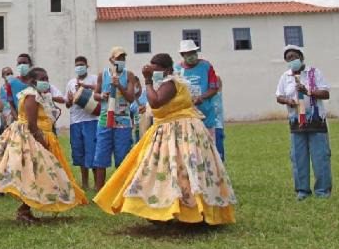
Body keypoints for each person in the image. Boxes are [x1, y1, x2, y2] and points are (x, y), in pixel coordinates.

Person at [94, 53, 236, 224]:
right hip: (171, 130)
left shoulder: (170, 83)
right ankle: (165, 209)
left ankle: (190, 211)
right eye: (152, 69)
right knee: (167, 171)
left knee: (183, 170)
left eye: (156, 69)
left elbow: (155, 102)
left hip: (179, 131)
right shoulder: (166, 82)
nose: (153, 72)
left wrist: (147, 80)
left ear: (167, 70)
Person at [0, 67, 88, 223]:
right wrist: (42, 144)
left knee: (36, 175)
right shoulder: (31, 96)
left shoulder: (38, 95)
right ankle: (24, 210)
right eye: (43, 79)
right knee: (32, 173)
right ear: (33, 81)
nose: (46, 82)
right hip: (30, 139)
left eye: (47, 78)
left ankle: (26, 209)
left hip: (37, 136)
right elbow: (32, 125)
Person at [275, 45, 332, 200]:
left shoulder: (314, 73)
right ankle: (302, 191)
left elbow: (325, 93)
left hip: (316, 121)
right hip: (296, 122)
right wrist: (288, 100)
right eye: (288, 58)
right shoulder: (285, 77)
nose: (292, 60)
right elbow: (279, 96)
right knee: (298, 157)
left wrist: (308, 91)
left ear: (301, 57)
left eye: (294, 56)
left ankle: (322, 191)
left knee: (320, 156)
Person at [92, 47, 139, 191]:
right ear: (111, 60)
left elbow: (131, 98)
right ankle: (100, 189)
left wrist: (120, 86)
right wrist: (102, 96)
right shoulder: (103, 75)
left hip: (123, 121)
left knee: (122, 156)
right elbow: (95, 95)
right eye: (118, 58)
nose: (121, 61)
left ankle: (121, 189)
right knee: (101, 155)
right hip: (105, 120)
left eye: (123, 58)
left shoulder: (129, 75)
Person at [175, 40, 220, 140]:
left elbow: (214, 88)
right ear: (182, 55)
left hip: (205, 114)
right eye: (188, 54)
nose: (192, 56)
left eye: (194, 53)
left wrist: (202, 97)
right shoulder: (177, 69)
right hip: (185, 115)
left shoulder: (206, 66)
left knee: (208, 146)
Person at [65, 55, 98, 189]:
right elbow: (67, 104)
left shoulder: (94, 79)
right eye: (77, 65)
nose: (79, 67)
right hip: (75, 121)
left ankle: (97, 183)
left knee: (93, 151)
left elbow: (100, 91)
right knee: (80, 152)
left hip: (91, 120)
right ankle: (85, 183)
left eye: (81, 65)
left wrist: (85, 87)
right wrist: (69, 100)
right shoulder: (71, 83)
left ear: (86, 66)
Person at [212, 76, 226, 161]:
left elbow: (217, 79)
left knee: (218, 160)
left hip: (217, 127)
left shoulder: (217, 93)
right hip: (204, 127)